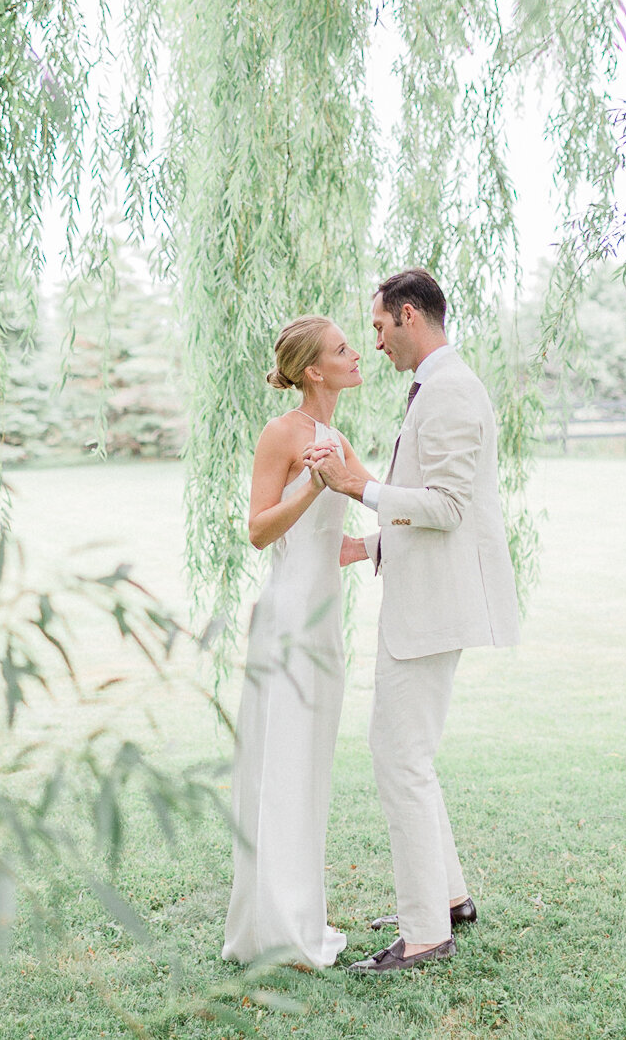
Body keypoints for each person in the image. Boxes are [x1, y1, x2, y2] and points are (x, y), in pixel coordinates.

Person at [308, 268, 521, 973]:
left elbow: (450, 505)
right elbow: (429, 507)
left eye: (376, 327)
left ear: (407, 315)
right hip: (426, 596)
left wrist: (359, 487)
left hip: (432, 610)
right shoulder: (438, 386)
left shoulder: (453, 391)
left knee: (398, 756)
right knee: (409, 755)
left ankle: (425, 930)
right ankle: (448, 900)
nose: (374, 342)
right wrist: (365, 546)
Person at [221, 315, 377, 969]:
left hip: (324, 623)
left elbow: (360, 519)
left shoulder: (337, 439)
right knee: (280, 766)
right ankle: (276, 928)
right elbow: (259, 531)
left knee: (309, 768)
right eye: (343, 348)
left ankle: (301, 917)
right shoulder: (281, 434)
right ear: (313, 370)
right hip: (287, 621)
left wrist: (384, 543)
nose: (356, 353)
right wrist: (313, 484)